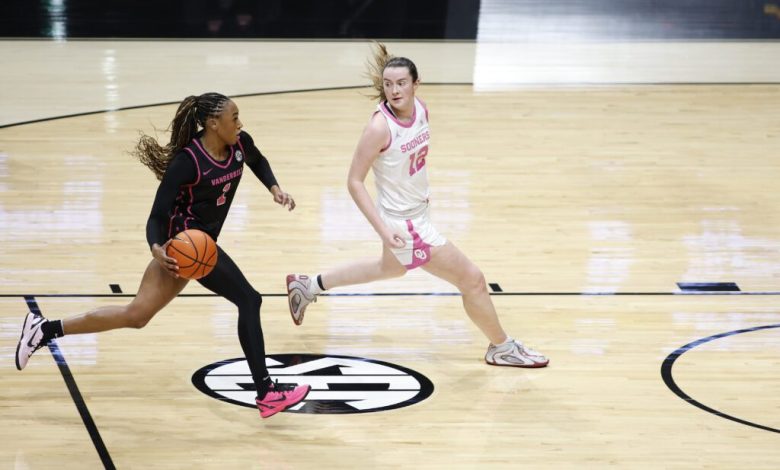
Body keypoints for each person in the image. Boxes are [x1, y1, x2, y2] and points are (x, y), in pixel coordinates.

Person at [15, 92, 310, 418]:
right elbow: (157, 215)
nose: (240, 124)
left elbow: (257, 160)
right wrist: (156, 248)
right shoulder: (188, 161)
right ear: (213, 123)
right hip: (181, 246)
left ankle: (44, 329)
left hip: (198, 247)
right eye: (234, 117)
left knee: (136, 316)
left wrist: (274, 187)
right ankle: (266, 392)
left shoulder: (240, 144)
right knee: (250, 300)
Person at [286, 44, 549, 368]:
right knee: (472, 280)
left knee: (389, 269)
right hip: (405, 226)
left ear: (415, 84)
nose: (394, 90)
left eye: (400, 83)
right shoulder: (379, 127)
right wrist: (384, 229)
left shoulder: (422, 110)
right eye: (388, 84)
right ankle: (501, 346)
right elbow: (354, 182)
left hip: (418, 213)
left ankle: (308, 285)